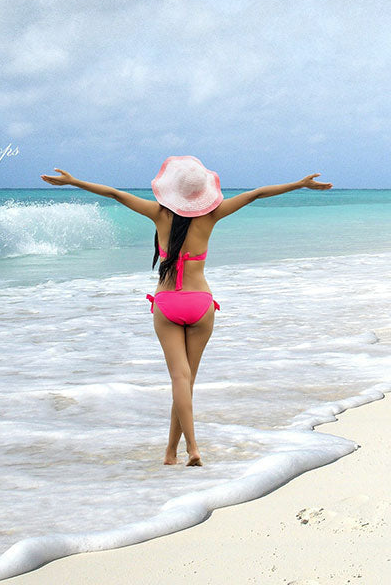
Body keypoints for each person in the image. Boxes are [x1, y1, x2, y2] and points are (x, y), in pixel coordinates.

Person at [40, 156, 332, 466]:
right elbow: (257, 193)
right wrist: (300, 185)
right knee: (187, 382)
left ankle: (190, 448)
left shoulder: (158, 214)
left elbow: (114, 193)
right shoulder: (212, 216)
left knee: (179, 380)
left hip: (167, 303)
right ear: (202, 193)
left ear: (172, 192)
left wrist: (74, 182)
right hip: (201, 304)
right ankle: (171, 452)